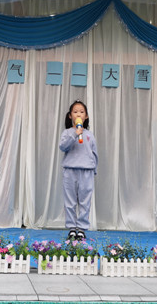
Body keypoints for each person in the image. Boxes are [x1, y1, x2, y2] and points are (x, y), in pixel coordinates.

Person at [59, 100, 98, 241]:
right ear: (70, 116)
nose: (78, 114)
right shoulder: (67, 133)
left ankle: (81, 228)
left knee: (84, 201)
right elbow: (63, 146)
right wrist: (75, 134)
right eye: (75, 112)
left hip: (86, 171)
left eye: (81, 112)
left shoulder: (89, 134)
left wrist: (94, 169)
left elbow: (94, 153)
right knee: (70, 202)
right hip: (70, 170)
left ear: (86, 116)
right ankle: (71, 228)